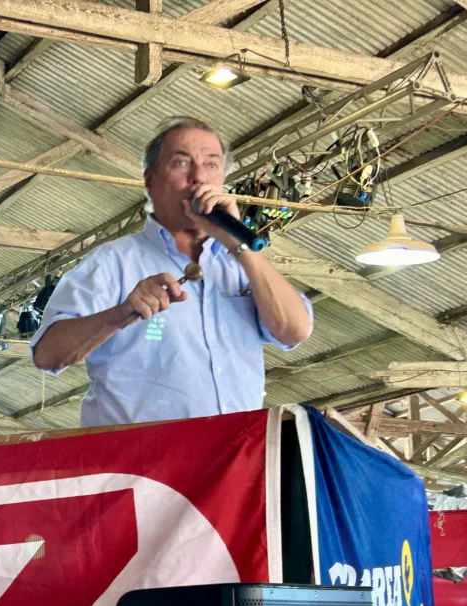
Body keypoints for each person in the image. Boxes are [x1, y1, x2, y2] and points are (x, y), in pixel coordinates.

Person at [31, 117, 313, 427]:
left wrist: (238, 245)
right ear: (150, 180)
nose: (199, 177)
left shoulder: (242, 264)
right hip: (144, 455)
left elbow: (295, 331)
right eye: (181, 163)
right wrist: (121, 313)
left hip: (234, 451)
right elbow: (48, 355)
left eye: (212, 165)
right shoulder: (114, 261)